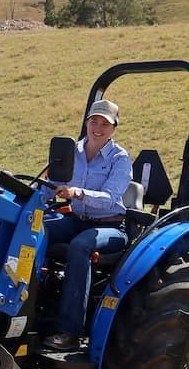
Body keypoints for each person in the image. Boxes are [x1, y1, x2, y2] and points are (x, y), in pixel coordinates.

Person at [42, 99, 131, 351]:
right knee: (37, 230)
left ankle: (70, 332)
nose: (98, 128)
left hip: (111, 227)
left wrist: (78, 193)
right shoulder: (72, 151)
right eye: (94, 121)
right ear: (87, 122)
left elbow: (110, 199)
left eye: (105, 123)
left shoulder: (120, 158)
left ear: (113, 128)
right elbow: (51, 184)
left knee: (80, 246)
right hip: (77, 220)